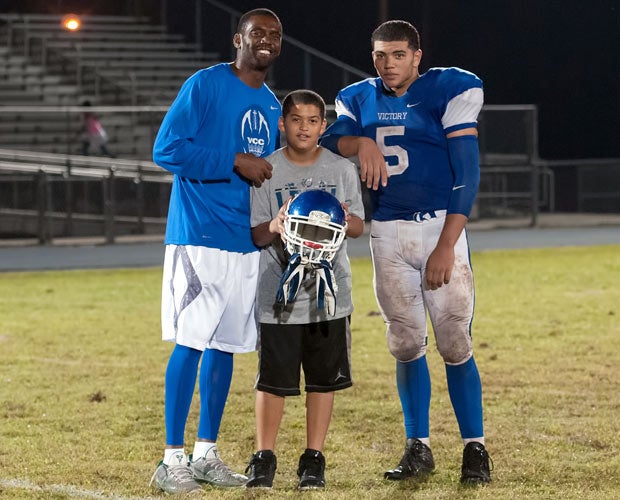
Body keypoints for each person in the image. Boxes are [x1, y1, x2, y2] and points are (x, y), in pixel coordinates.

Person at [320, 20, 492, 485]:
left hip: (439, 224)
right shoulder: (358, 97)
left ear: (417, 56)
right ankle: (419, 446)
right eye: (379, 55)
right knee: (404, 342)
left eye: (397, 54)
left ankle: (475, 449)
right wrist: (360, 142)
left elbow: (467, 175)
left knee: (454, 342)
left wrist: (447, 245)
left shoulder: (448, 89)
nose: (388, 64)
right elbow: (327, 138)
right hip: (389, 232)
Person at [148, 8, 283, 495]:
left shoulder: (271, 104)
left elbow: (265, 175)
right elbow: (166, 150)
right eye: (257, 33)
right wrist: (231, 159)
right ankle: (170, 458)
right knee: (191, 341)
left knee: (226, 346)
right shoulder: (205, 85)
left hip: (244, 241)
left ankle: (206, 453)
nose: (266, 40)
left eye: (274, 35)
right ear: (237, 40)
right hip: (198, 236)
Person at [245, 89, 364, 490]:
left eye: (313, 121)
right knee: (272, 380)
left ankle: (314, 458)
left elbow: (360, 225)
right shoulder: (266, 171)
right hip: (278, 294)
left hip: (329, 295)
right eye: (296, 119)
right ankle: (264, 457)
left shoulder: (341, 170)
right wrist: (275, 227)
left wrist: (344, 220)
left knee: (322, 380)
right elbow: (258, 234)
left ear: (323, 127)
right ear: (282, 123)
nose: (304, 127)